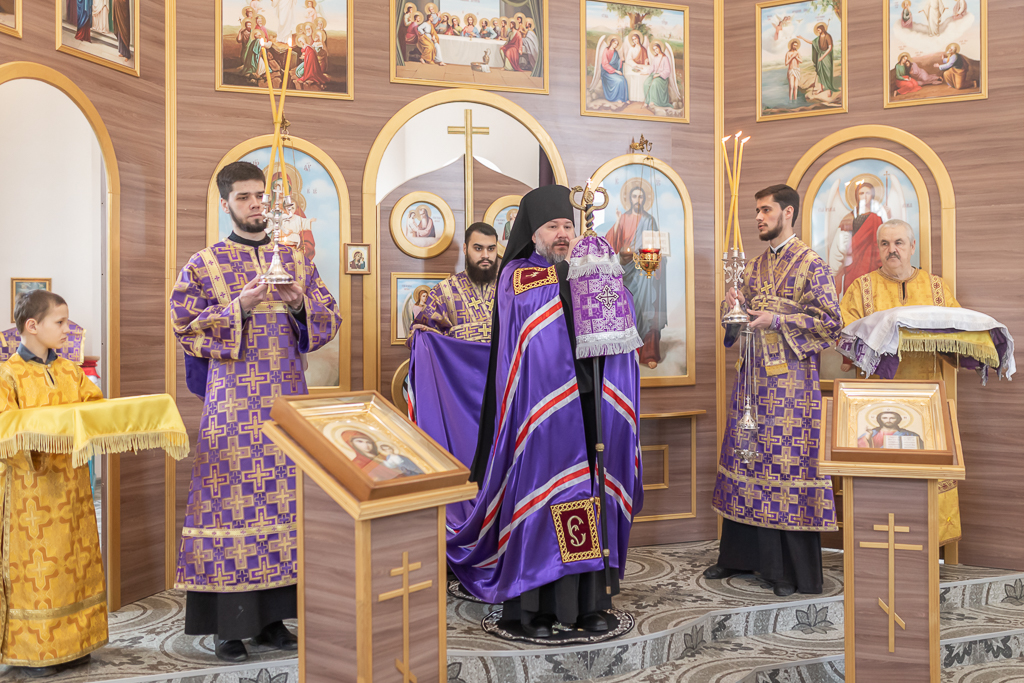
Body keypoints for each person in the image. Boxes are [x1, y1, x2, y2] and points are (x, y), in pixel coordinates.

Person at [449, 185, 643, 638]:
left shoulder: (590, 267)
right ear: (533, 234)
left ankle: (589, 603)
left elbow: (622, 321)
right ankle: (532, 608)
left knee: (590, 496)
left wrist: (606, 274)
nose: (562, 234)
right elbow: (532, 308)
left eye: (567, 226)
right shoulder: (517, 276)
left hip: (592, 403)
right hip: (542, 411)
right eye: (552, 226)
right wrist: (579, 271)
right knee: (546, 497)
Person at [170, 161, 342, 663]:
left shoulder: (296, 260)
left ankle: (272, 622)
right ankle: (228, 627)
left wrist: (298, 305)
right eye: (243, 197)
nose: (254, 204)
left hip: (285, 404)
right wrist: (240, 307)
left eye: (259, 195)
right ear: (225, 203)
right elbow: (185, 327)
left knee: (285, 505)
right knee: (228, 506)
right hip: (232, 410)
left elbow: (329, 317)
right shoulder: (204, 263)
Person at [705, 184, 842, 597]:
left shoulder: (812, 265)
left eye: (766, 210)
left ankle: (785, 571)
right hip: (752, 382)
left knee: (783, 467)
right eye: (757, 211)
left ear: (788, 213)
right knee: (747, 461)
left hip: (791, 390)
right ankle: (739, 557)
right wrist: (732, 306)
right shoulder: (754, 266)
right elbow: (737, 323)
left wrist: (777, 320)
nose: (759, 218)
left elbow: (831, 324)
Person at [0, 290, 106, 676]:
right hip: (31, 493)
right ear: (32, 326)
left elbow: (94, 410)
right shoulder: (8, 374)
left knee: (75, 564)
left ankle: (76, 643)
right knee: (40, 572)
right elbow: (4, 431)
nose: (67, 329)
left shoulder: (70, 371)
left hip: (73, 488)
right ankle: (38, 650)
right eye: (59, 322)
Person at [839, 218, 962, 547]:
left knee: (925, 474)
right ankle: (871, 548)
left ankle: (929, 550)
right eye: (885, 244)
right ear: (878, 248)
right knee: (881, 478)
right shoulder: (861, 289)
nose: (891, 250)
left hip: (926, 403)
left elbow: (958, 338)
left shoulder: (937, 289)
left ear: (912, 246)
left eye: (898, 243)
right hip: (875, 403)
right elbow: (845, 342)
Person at [603, 183, 667, 368]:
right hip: (628, 269)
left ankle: (648, 353)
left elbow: (658, 246)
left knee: (647, 305)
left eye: (640, 197)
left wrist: (658, 257)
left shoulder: (650, 220)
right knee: (629, 306)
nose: (637, 200)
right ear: (629, 199)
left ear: (644, 199)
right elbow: (610, 244)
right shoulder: (623, 218)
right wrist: (617, 221)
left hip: (646, 270)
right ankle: (627, 353)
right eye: (634, 196)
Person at [410, 222, 499, 342]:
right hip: (459, 355)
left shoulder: (509, 288)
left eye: (491, 249)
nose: (485, 255)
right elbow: (419, 337)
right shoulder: (442, 291)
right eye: (478, 248)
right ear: (465, 249)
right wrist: (423, 334)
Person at [829, 178, 889, 295]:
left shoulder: (877, 219)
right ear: (856, 196)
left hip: (873, 266)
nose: (865, 196)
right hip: (853, 267)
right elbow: (840, 245)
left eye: (868, 193)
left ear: (872, 195)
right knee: (853, 296)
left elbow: (882, 243)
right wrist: (835, 269)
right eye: (861, 193)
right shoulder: (848, 218)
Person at [798, 22, 834, 98]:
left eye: (819, 30)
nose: (818, 31)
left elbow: (830, 47)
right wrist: (802, 38)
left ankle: (828, 90)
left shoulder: (828, 36)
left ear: (822, 29)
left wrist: (823, 57)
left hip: (826, 56)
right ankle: (820, 88)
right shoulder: (818, 38)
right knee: (820, 72)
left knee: (827, 72)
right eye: (817, 30)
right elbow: (811, 42)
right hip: (820, 56)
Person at [857, 410, 923, 449]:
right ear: (880, 419)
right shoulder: (872, 433)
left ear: (898, 419)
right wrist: (867, 438)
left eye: (892, 418)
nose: (888, 420)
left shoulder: (910, 434)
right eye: (884, 418)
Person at [643, 42, 674, 109]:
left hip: (662, 77)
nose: (655, 50)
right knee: (646, 83)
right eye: (654, 49)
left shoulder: (665, 58)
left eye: (656, 48)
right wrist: (647, 72)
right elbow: (652, 67)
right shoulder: (655, 58)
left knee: (654, 83)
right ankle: (647, 101)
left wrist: (659, 75)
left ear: (659, 48)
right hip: (654, 74)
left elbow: (668, 70)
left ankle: (653, 101)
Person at [599, 37, 628, 103]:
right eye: (615, 43)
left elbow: (617, 62)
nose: (616, 45)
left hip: (614, 72)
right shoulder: (606, 50)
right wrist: (616, 71)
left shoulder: (615, 52)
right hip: (607, 72)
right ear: (611, 43)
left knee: (623, 79)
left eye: (617, 44)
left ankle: (624, 98)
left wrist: (621, 60)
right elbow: (605, 64)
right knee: (619, 80)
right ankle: (618, 98)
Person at [624, 32, 651, 102]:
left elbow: (646, 59)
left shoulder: (643, 49)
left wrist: (646, 61)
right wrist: (635, 65)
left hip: (642, 67)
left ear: (638, 39)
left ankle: (642, 97)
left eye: (635, 39)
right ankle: (633, 96)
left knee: (644, 75)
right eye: (633, 39)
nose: (634, 41)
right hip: (634, 66)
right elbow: (628, 59)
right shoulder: (632, 49)